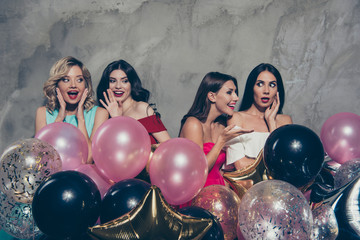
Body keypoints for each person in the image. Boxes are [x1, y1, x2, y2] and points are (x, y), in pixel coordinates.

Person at [179, 72, 253, 187]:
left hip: (218, 192)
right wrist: (221, 141)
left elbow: (223, 170)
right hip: (197, 192)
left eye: (235, 92)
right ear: (212, 96)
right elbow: (198, 170)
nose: (236, 98)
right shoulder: (193, 124)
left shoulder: (222, 125)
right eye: (229, 92)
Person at [35, 56, 109, 164]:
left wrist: (81, 119)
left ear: (85, 85)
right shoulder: (43, 113)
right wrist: (59, 118)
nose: (73, 85)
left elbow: (88, 159)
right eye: (66, 80)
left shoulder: (100, 114)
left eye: (79, 80)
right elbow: (44, 159)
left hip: (82, 179)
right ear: (57, 85)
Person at [226, 63, 293, 170]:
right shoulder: (236, 118)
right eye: (260, 84)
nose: (266, 91)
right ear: (251, 87)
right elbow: (241, 165)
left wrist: (271, 122)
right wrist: (274, 163)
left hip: (279, 185)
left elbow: (287, 164)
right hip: (248, 186)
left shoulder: (285, 120)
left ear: (277, 90)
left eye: (272, 85)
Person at [96, 59, 170, 146]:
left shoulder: (141, 108)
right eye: (112, 81)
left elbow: (168, 145)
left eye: (124, 81)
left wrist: (118, 120)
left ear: (132, 84)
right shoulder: (103, 114)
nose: (118, 86)